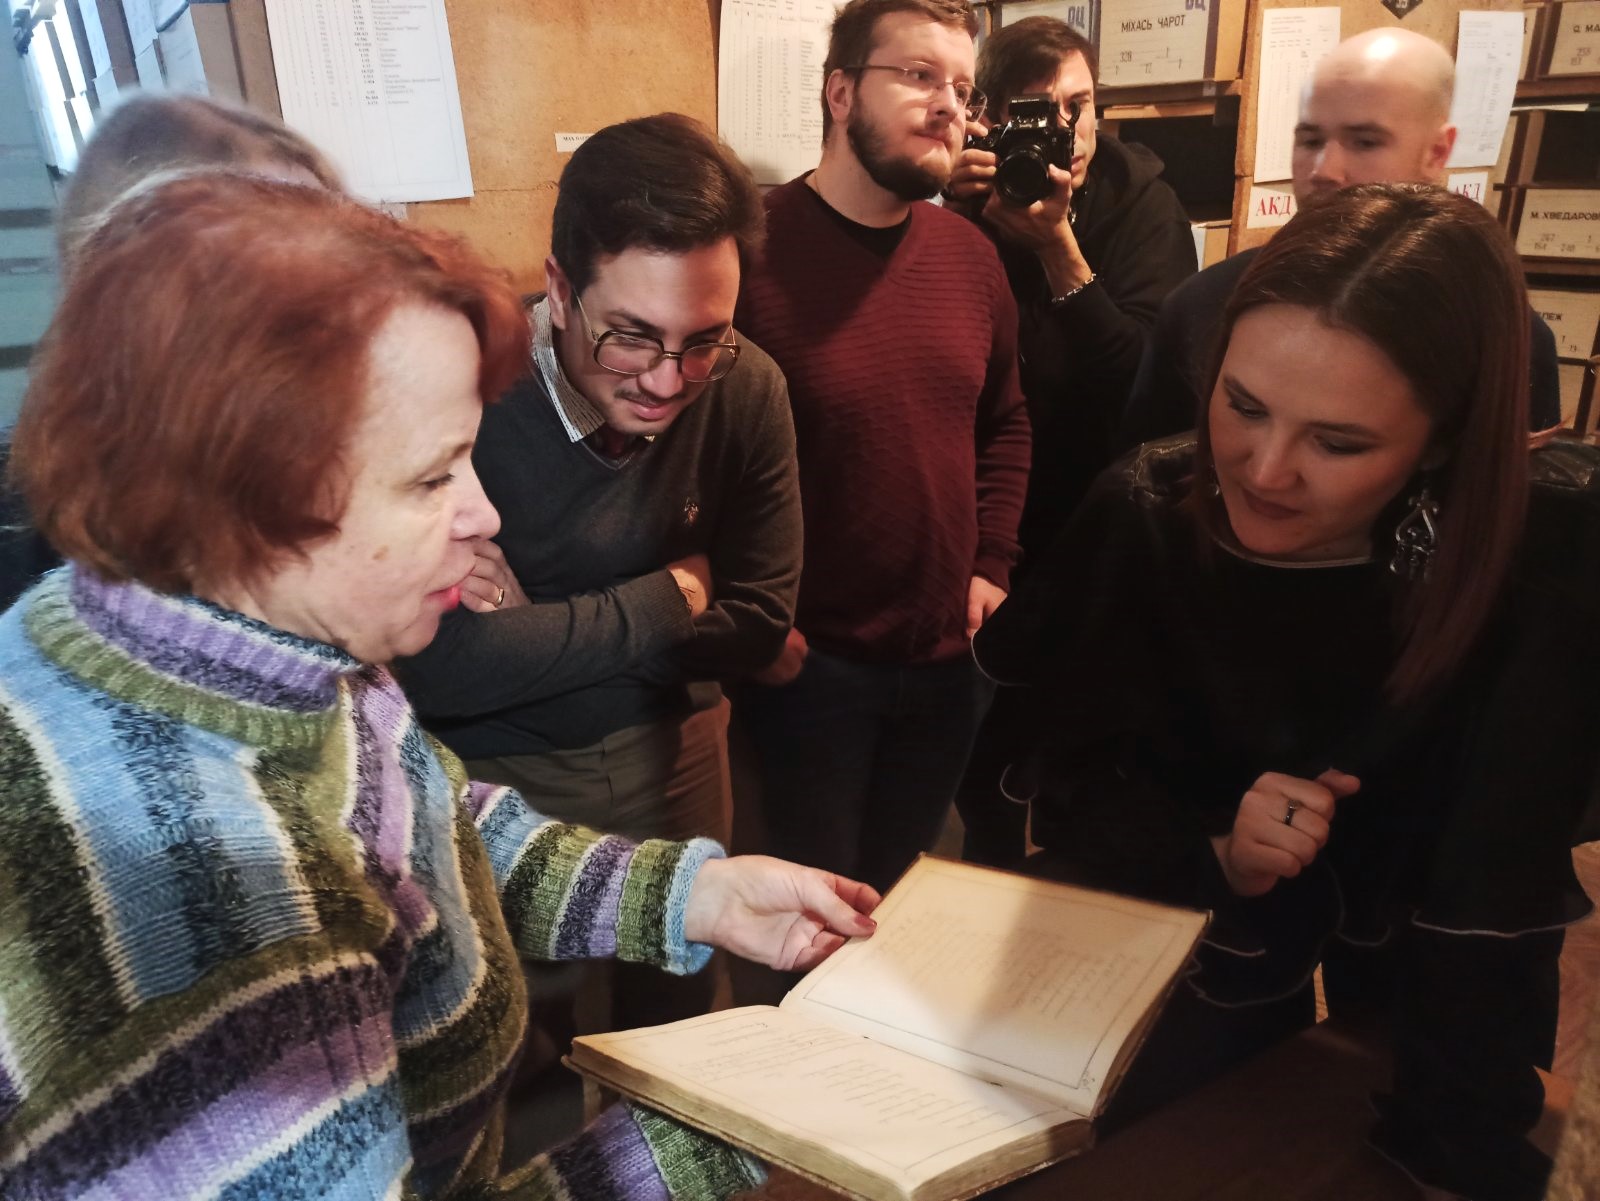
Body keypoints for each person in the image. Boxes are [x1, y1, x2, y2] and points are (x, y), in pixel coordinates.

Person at [0, 171, 879, 1200]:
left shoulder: (221, 640)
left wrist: (690, 894)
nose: (482, 516)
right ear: (251, 493)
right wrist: (700, 1144)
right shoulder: (232, 923)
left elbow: (421, 831)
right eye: (432, 476)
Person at [974, 184, 1598, 1201]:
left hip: (1432, 985)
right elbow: (1071, 790)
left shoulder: (1539, 551)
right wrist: (1216, 845)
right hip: (1167, 961)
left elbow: (1492, 888)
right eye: (1243, 405)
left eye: (1338, 443)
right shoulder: (1146, 513)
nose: (1263, 472)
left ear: (1443, 440)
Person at [734, 0, 1030, 895]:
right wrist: (752, 625)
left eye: (964, 89)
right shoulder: (749, 251)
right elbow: (692, 457)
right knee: (808, 926)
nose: (949, 106)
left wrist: (993, 562)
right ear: (840, 93)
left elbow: (1006, 420)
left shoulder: (972, 257)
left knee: (897, 910)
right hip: (809, 669)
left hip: (948, 666)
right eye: (918, 76)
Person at [1120, 27, 1562, 448]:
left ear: (1437, 151)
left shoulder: (1501, 336)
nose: (1324, 171)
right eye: (1311, 140)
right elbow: (1145, 478)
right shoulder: (1200, 306)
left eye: (1365, 142)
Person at [0, 93, 343, 613]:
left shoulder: (331, 438)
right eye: (280, 247)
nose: (339, 286)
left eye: (339, 242)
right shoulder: (27, 514)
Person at [950, 15, 1196, 542]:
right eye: (1038, 112)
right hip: (986, 491)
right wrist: (941, 206)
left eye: (1078, 105)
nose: (1065, 129)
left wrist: (1056, 248)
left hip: (1101, 499)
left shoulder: (1146, 205)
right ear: (993, 120)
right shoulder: (971, 196)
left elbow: (1147, 382)